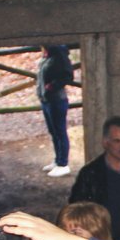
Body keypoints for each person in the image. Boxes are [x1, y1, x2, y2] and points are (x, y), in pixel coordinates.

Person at [36, 45, 74, 178]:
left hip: (57, 99)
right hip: (46, 99)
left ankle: (63, 164)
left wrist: (52, 86)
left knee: (60, 131)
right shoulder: (47, 54)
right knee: (53, 132)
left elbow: (68, 76)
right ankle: (58, 160)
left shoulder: (59, 54)